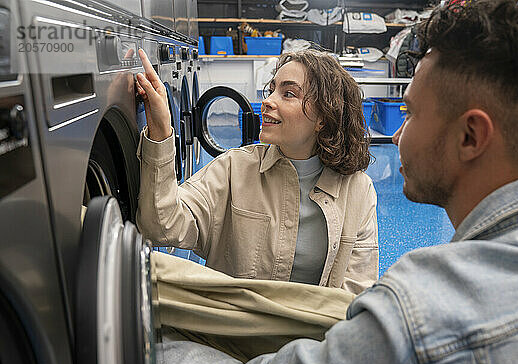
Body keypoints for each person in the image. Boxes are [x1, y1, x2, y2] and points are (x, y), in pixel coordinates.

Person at [159, 0, 518, 364]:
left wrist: (147, 340)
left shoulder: (419, 314)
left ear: (470, 136)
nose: (396, 132)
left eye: (409, 113)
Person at [135, 49, 379, 294]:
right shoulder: (234, 169)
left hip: (322, 330)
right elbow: (161, 226)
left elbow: (358, 289)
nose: (268, 101)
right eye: (272, 89)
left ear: (323, 118)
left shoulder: (358, 189)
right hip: (240, 329)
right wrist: (161, 131)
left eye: (288, 94)